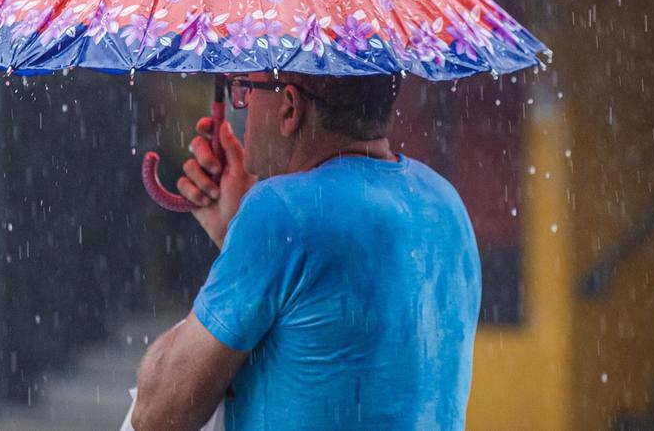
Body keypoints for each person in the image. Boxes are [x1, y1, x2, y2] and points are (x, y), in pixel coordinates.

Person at [131, 71, 482, 430]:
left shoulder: (281, 213)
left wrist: (252, 234)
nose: (245, 104)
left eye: (249, 89)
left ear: (289, 108)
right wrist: (235, 233)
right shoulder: (445, 202)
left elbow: (158, 415)